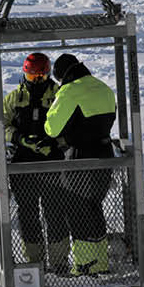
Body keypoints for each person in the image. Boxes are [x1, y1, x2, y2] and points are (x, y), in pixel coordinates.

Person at [44, 53, 117, 275]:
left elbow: (52, 128)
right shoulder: (102, 86)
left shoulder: (69, 91)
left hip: (80, 157)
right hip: (105, 153)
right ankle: (100, 263)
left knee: (76, 208)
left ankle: (84, 266)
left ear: (61, 76)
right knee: (94, 207)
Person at [3, 52, 70, 272]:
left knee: (56, 212)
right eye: (32, 78)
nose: (36, 82)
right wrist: (21, 139)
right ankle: (35, 261)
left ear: (48, 74)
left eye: (40, 78)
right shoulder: (14, 98)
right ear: (24, 75)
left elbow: (71, 125)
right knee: (28, 213)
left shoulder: (59, 95)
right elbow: (1, 126)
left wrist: (54, 143)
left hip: (52, 163)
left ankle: (59, 262)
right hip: (23, 164)